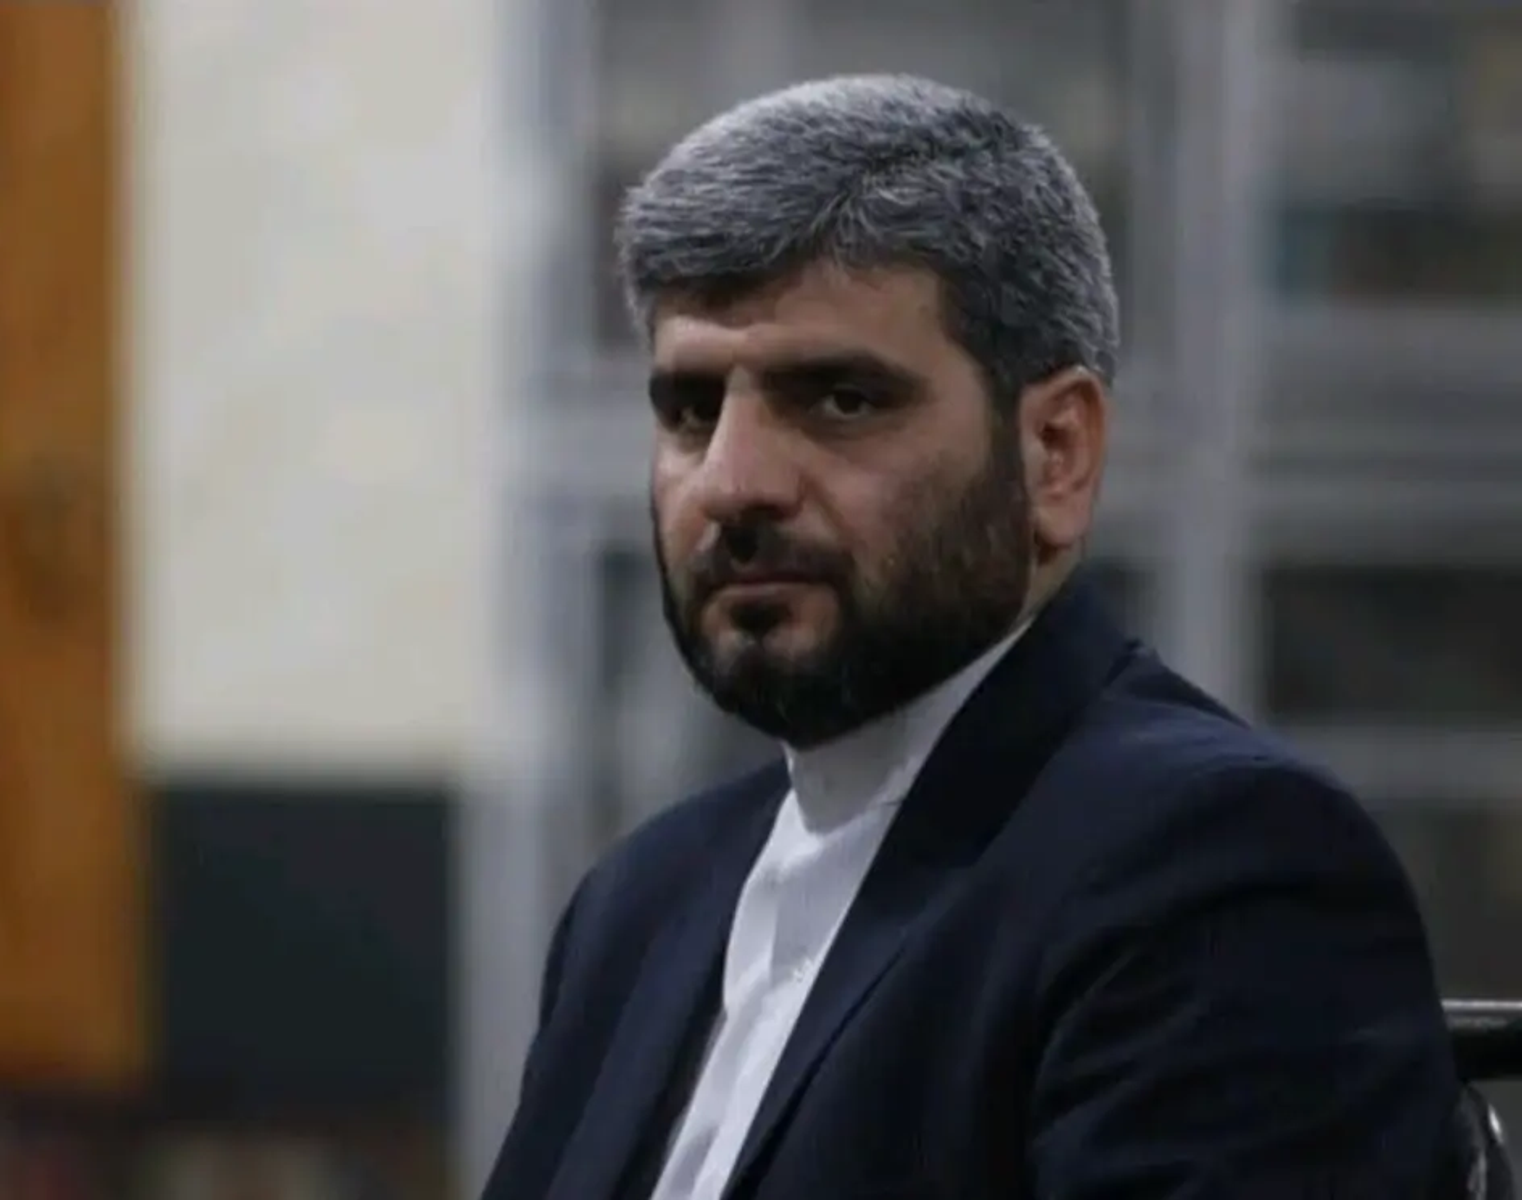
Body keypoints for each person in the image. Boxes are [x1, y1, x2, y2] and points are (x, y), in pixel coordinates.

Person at [482, 74, 1461, 1199]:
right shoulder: (639, 905)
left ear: (1056, 454)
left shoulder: (1219, 869)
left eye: (841, 400)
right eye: (691, 410)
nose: (733, 482)